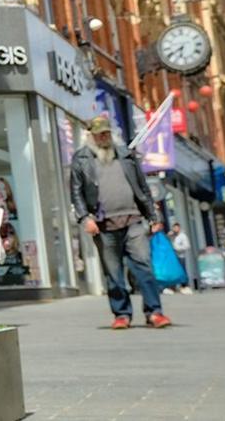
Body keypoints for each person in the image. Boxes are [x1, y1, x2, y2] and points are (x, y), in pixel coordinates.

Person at [70, 114, 171, 329]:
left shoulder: (126, 155)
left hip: (133, 220)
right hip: (104, 225)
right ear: (91, 137)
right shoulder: (81, 160)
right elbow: (76, 193)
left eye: (106, 133)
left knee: (144, 267)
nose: (103, 138)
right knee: (113, 273)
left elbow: (143, 188)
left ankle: (154, 312)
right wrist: (84, 218)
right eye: (99, 135)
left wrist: (153, 216)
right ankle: (122, 314)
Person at [169, 223, 193, 293]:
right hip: (173, 257)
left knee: (182, 271)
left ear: (179, 228)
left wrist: (177, 248)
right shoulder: (172, 235)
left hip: (181, 256)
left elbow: (187, 246)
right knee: (174, 272)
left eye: (176, 228)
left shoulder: (183, 236)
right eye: (174, 228)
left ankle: (185, 286)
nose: (175, 229)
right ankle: (173, 286)